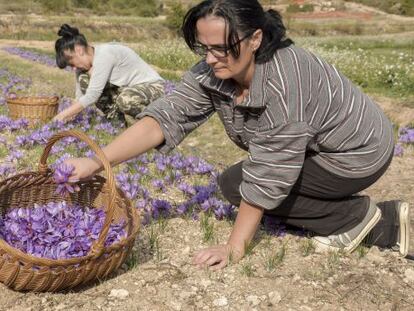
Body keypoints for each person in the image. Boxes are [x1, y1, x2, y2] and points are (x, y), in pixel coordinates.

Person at [64, 0, 410, 270]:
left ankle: (370, 220)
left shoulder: (283, 82)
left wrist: (234, 246)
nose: (212, 59)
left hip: (358, 152)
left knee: (239, 186)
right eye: (204, 48)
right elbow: (164, 118)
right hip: (320, 148)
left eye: (221, 47)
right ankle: (351, 214)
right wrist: (96, 161)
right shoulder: (214, 71)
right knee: (235, 184)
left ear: (255, 38)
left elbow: (270, 173)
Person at [53, 24, 165, 125]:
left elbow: (93, 95)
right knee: (84, 79)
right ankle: (117, 124)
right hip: (126, 89)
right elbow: (80, 96)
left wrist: (62, 116)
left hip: (151, 86)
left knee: (125, 101)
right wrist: (71, 115)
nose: (73, 68)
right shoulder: (82, 68)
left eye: (71, 62)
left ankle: (157, 123)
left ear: (79, 50)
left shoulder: (104, 55)